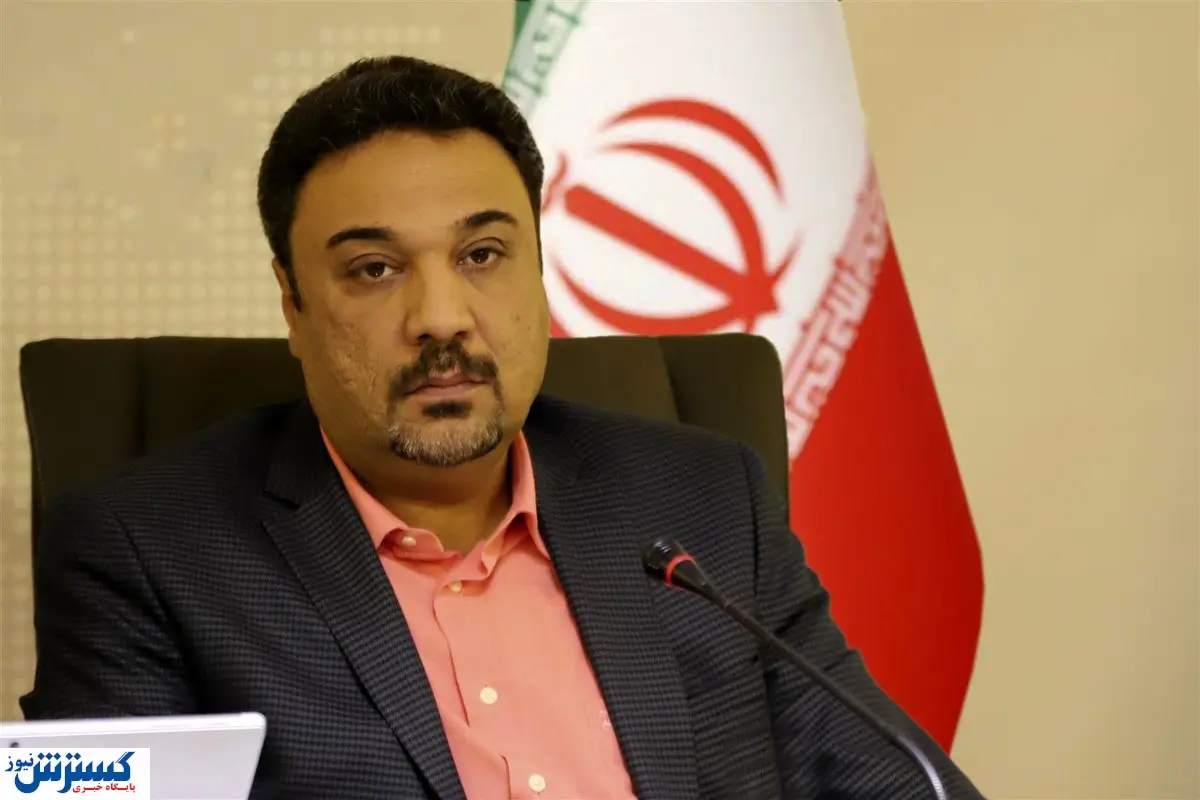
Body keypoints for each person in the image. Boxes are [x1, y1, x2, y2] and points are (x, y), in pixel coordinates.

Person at [21, 55, 984, 800]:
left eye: (482, 254)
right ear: (293, 303)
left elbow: (902, 785)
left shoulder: (703, 503)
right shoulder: (147, 552)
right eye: (374, 270)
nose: (442, 317)